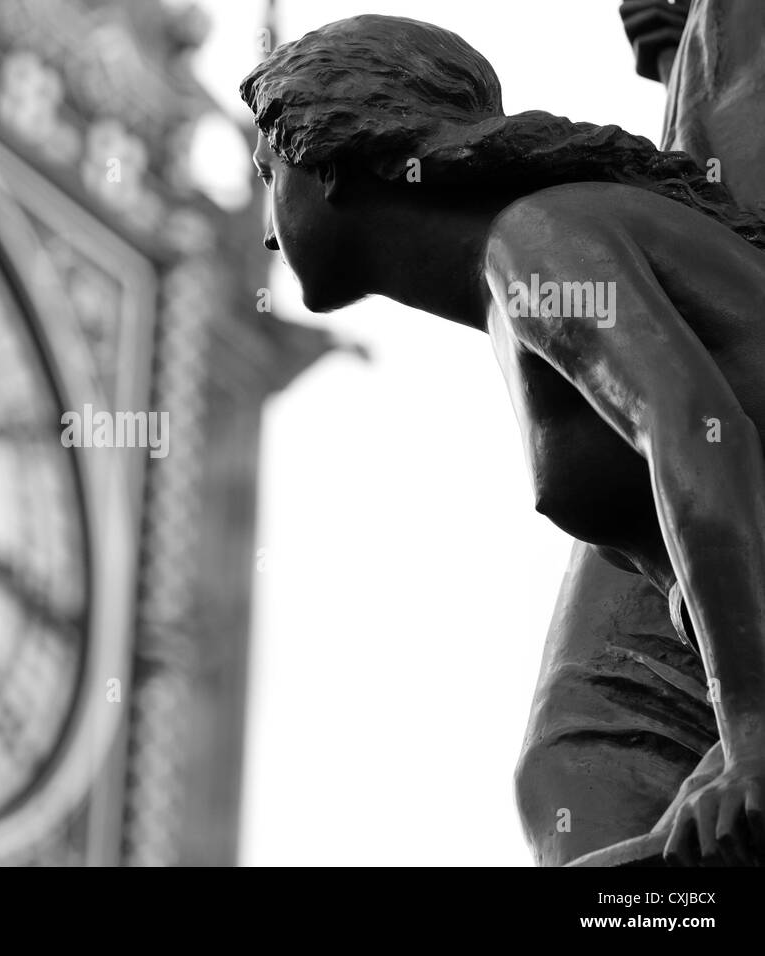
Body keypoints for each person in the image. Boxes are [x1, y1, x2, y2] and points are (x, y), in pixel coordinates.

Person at [241, 14, 765, 865]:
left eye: (268, 174)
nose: (266, 227)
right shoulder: (523, 264)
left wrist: (750, 734)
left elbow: (699, 438)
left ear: (328, 161)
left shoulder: (536, 243)